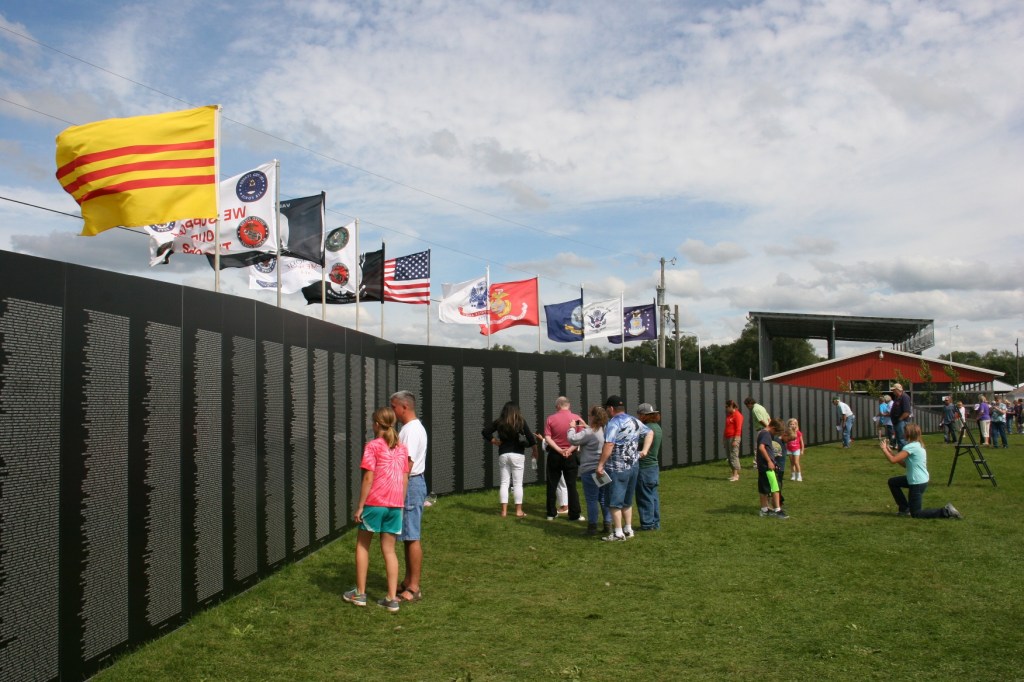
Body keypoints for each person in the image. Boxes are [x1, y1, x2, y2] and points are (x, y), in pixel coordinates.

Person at [343, 407, 411, 612]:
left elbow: (368, 477)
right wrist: (400, 501)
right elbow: (405, 477)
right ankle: (392, 598)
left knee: (363, 546)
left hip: (375, 502)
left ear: (376, 424)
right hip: (395, 504)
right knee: (389, 550)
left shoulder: (372, 446)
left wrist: (360, 506)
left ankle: (360, 593)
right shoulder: (402, 448)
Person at [596, 395, 653, 541]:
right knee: (627, 500)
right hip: (633, 466)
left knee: (614, 502)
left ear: (611, 408)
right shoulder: (634, 420)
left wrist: (601, 464)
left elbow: (609, 444)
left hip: (617, 468)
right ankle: (628, 528)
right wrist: (645, 451)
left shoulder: (613, 423)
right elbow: (649, 432)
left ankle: (618, 533)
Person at [880, 423, 963, 519]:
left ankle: (946, 511)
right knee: (893, 482)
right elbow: (905, 464)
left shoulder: (910, 447)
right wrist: (890, 452)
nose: (903, 434)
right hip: (919, 480)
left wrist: (884, 449)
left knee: (916, 514)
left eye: (905, 432)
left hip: (917, 483)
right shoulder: (917, 445)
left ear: (909, 434)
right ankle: (904, 509)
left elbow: (893, 460)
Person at [390, 390, 427, 604]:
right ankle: (407, 580)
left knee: (412, 536)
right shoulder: (409, 428)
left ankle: (414, 587)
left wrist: (399, 490)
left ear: (404, 407)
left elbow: (408, 463)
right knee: (406, 535)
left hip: (410, 484)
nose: (392, 411)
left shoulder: (411, 430)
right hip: (410, 483)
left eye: (394, 406)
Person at [483, 401, 536, 517]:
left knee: (504, 482)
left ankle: (504, 511)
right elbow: (531, 439)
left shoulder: (500, 422)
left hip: (503, 454)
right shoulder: (520, 422)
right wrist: (535, 451)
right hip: (517, 454)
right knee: (517, 484)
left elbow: (485, 432)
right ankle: (518, 511)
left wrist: (495, 441)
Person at [568, 405, 612, 536]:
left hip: (589, 470)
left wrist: (572, 428)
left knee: (592, 499)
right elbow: (593, 432)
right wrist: (585, 425)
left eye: (590, 415)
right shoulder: (603, 430)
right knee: (603, 498)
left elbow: (572, 439)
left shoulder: (588, 432)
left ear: (594, 417)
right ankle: (607, 524)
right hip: (601, 469)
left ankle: (592, 527)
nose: (588, 416)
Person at [543, 397, 584, 522]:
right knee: (571, 485)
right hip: (571, 456)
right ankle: (574, 514)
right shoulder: (576, 418)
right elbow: (580, 437)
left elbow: (548, 438)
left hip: (555, 455)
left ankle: (551, 513)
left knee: (552, 485)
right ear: (569, 405)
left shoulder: (551, 418)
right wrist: (569, 450)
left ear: (557, 406)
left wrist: (559, 450)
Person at [634, 403, 662, 531]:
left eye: (639, 415)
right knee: (653, 496)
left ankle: (647, 524)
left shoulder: (646, 429)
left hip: (644, 467)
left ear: (644, 416)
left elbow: (636, 444)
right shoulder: (657, 427)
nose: (638, 417)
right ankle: (655, 523)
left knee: (644, 496)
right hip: (654, 467)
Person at [755, 418, 788, 519]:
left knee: (763, 489)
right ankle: (778, 510)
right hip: (766, 466)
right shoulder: (766, 434)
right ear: (773, 428)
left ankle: (764, 509)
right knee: (775, 487)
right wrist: (769, 461)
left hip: (762, 466)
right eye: (776, 432)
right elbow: (761, 447)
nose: (776, 435)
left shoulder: (762, 433)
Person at [743, 397, 770, 468]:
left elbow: (760, 420)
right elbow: (769, 418)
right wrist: (769, 427)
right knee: (766, 447)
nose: (747, 407)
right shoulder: (761, 407)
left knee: (757, 447)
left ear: (749, 403)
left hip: (761, 430)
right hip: (767, 430)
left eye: (747, 405)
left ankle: (756, 464)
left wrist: (767, 427)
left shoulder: (755, 409)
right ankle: (766, 462)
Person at [723, 400, 744, 482]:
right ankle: (733, 474)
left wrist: (735, 439)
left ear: (731, 406)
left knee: (733, 456)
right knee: (729, 456)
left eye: (727, 407)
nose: (726, 409)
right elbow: (726, 427)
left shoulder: (738, 415)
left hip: (734, 437)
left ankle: (736, 475)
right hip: (727, 437)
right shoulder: (729, 416)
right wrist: (723, 438)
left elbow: (738, 428)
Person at [890, 383, 913, 450]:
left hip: (902, 422)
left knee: (902, 439)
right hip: (897, 422)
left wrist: (900, 419)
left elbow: (907, 412)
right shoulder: (897, 397)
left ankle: (904, 455)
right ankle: (901, 455)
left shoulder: (905, 397)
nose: (893, 391)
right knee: (899, 439)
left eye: (894, 390)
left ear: (898, 390)